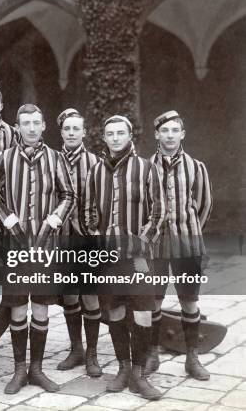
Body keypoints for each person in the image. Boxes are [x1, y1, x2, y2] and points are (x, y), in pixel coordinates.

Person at [0, 104, 74, 394]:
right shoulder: (5, 157)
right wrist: (9, 219)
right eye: (26, 123)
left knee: (41, 306)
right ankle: (19, 369)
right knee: (18, 307)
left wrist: (53, 220)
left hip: (46, 244)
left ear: (44, 125)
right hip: (16, 245)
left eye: (37, 122)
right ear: (18, 126)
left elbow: (68, 194)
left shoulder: (56, 158)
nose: (32, 128)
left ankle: (36, 369)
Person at [84, 115, 165, 400]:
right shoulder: (95, 172)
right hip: (108, 259)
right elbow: (88, 212)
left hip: (138, 258)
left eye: (121, 133)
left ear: (130, 135)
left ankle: (139, 375)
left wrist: (141, 242)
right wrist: (97, 238)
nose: (115, 138)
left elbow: (158, 213)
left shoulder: (146, 169)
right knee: (115, 312)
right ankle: (123, 368)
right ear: (104, 138)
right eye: (110, 133)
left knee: (143, 314)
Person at [145, 110, 212, 380]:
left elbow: (205, 205)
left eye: (175, 130)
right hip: (156, 245)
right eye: (165, 131)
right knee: (153, 299)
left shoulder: (196, 166)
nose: (170, 135)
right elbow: (143, 207)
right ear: (157, 135)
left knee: (189, 300)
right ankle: (152, 354)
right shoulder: (145, 167)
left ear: (182, 134)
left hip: (187, 243)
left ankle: (192, 358)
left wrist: (191, 232)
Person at [55, 108, 102, 377]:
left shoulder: (95, 163)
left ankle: (93, 355)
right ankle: (76, 349)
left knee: (90, 293)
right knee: (69, 294)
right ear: (61, 133)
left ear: (84, 132)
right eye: (67, 129)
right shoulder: (53, 161)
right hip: (62, 237)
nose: (71, 133)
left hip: (88, 237)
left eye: (76, 129)